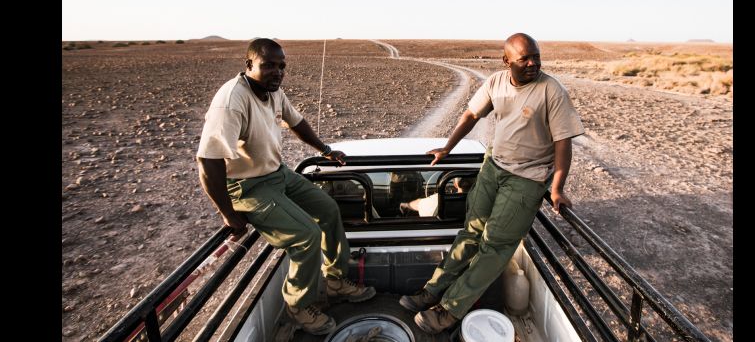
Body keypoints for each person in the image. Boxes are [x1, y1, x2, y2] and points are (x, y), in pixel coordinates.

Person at [399, 32, 585, 334]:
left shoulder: (552, 91)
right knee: (471, 231)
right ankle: (433, 290)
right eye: (524, 58)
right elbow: (472, 113)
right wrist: (448, 147)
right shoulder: (496, 82)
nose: (532, 63)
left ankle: (449, 310)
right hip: (493, 167)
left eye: (536, 56)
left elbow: (563, 142)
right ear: (506, 61)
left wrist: (557, 187)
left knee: (494, 245)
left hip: (527, 178)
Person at [196, 38, 375, 336]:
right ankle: (298, 305)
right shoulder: (232, 101)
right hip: (247, 186)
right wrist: (227, 214)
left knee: (329, 209)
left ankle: (335, 279)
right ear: (249, 65)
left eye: (281, 66)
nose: (277, 72)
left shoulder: (273, 91)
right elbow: (208, 161)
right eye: (268, 65)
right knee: (306, 236)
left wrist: (325, 149)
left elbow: (296, 122)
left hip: (277, 173)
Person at [399, 176, 474, 217]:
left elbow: (419, 204)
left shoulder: (438, 200)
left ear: (455, 184)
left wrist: (406, 205)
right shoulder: (483, 199)